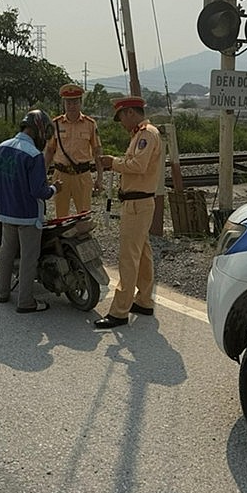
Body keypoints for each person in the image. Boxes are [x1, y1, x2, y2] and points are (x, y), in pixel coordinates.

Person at [95, 96, 163, 329]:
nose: (121, 123)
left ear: (129, 113)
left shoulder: (146, 135)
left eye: (121, 117)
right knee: (142, 253)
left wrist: (113, 162)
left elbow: (138, 166)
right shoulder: (141, 134)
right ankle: (143, 300)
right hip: (138, 203)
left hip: (137, 204)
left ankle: (119, 311)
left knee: (128, 257)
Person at [0, 110, 63, 313]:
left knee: (6, 252)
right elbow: (39, 191)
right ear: (39, 129)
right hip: (28, 215)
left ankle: (2, 293)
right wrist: (55, 188)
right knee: (29, 258)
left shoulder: (1, 147)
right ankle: (25, 302)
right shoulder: (34, 156)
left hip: (6, 212)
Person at [45, 83, 103, 217]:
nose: (71, 106)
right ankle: (63, 238)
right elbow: (49, 151)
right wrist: (43, 174)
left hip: (82, 175)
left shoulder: (90, 124)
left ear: (80, 103)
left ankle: (82, 236)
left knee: (83, 215)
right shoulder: (56, 124)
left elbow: (97, 152)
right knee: (61, 215)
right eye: (68, 103)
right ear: (64, 104)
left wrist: (99, 178)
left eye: (75, 102)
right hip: (60, 175)